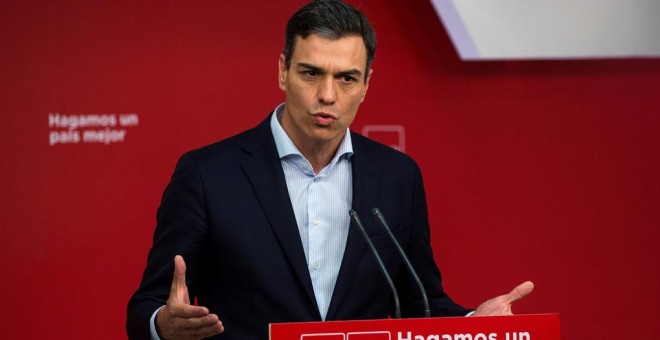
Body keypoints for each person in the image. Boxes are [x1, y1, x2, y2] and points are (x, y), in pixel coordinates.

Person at [126, 1, 534, 339]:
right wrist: (162, 325)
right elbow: (146, 307)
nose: (327, 95)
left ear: (367, 84)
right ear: (283, 69)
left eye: (346, 78)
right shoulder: (208, 175)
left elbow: (419, 303)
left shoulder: (397, 177)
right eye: (311, 72)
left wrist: (473, 326)